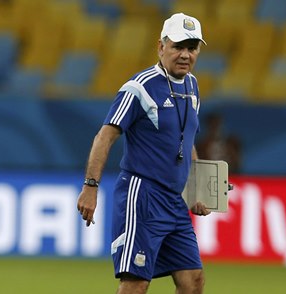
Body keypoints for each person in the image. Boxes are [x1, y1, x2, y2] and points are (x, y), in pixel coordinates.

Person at [77, 13, 211, 294]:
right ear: (161, 46)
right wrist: (91, 186)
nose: (185, 54)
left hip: (174, 202)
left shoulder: (193, 86)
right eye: (178, 46)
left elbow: (186, 141)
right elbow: (105, 137)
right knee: (136, 284)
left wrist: (198, 189)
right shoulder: (139, 87)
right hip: (143, 196)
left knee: (193, 281)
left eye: (192, 47)